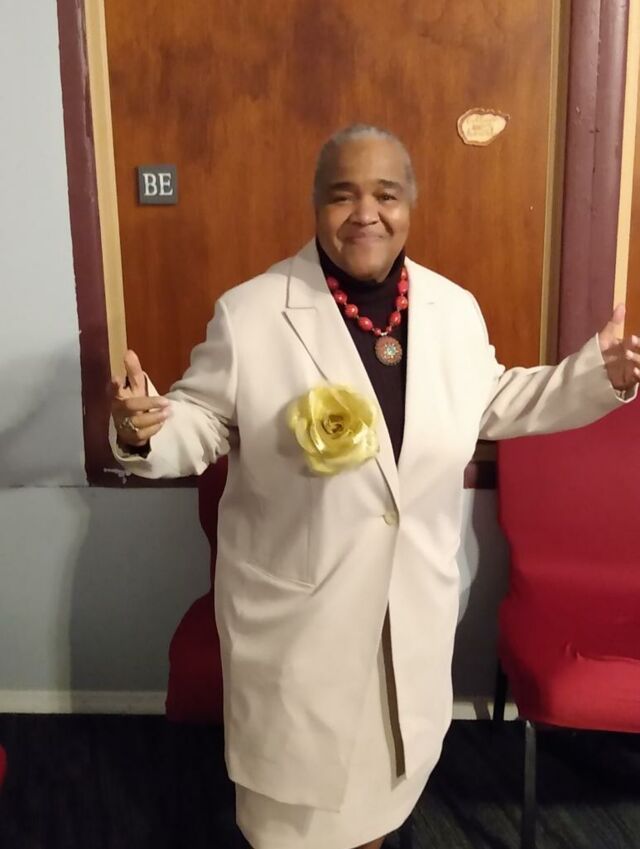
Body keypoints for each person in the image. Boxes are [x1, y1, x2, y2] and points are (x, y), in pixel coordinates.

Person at [109, 125, 639, 849]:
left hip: (406, 614)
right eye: (343, 195)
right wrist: (144, 430)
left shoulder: (452, 310)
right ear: (316, 205)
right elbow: (201, 423)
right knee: (291, 819)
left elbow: (491, 400)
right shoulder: (253, 313)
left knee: (384, 799)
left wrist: (592, 376)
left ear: (409, 205)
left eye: (386, 194)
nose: (367, 213)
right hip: (304, 616)